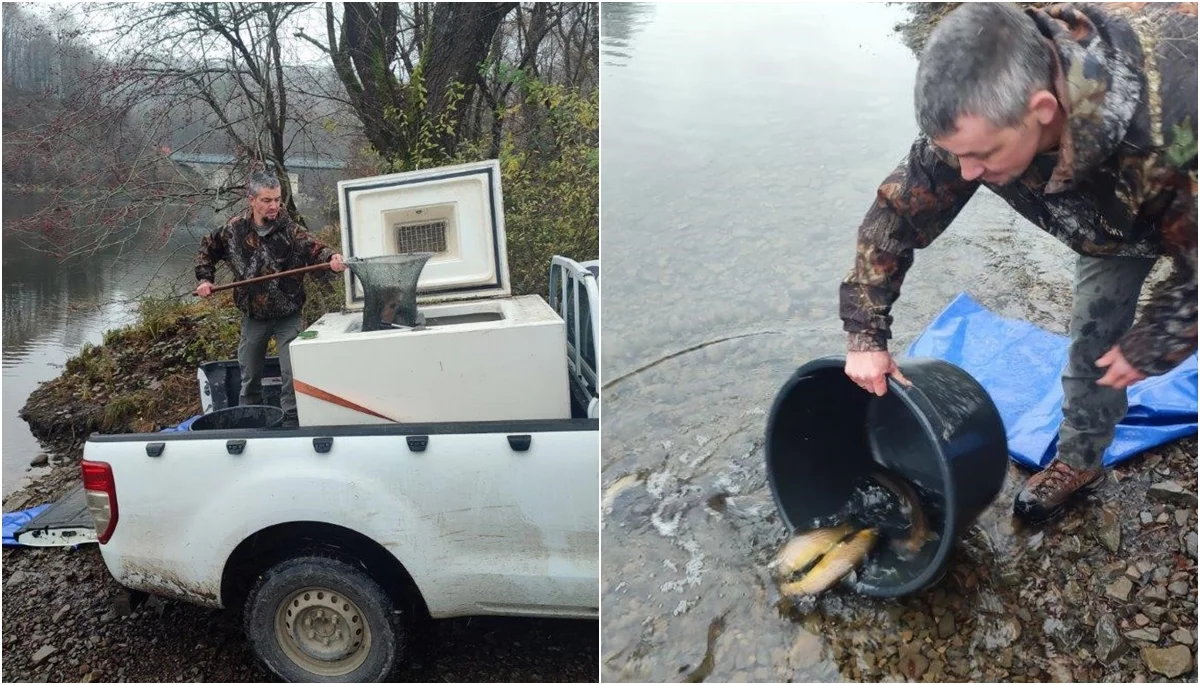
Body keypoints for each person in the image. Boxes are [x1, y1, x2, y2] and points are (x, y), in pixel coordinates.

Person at [838, 2, 1196, 524]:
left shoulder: (1170, 131)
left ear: (1043, 110)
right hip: (1112, 230)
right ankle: (1079, 460)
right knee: (1094, 349)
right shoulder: (981, 115)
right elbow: (896, 217)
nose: (966, 171)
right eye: (957, 154)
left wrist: (1156, 339)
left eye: (983, 155)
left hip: (1177, 189)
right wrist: (864, 335)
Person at [195, 171, 347, 427]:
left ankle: (291, 421)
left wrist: (333, 258)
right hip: (253, 316)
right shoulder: (233, 229)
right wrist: (204, 280)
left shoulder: (291, 231)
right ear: (252, 200)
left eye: (277, 199)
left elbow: (317, 250)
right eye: (267, 200)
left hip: (288, 314)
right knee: (250, 372)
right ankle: (251, 420)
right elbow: (207, 249)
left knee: (291, 371)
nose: (274, 205)